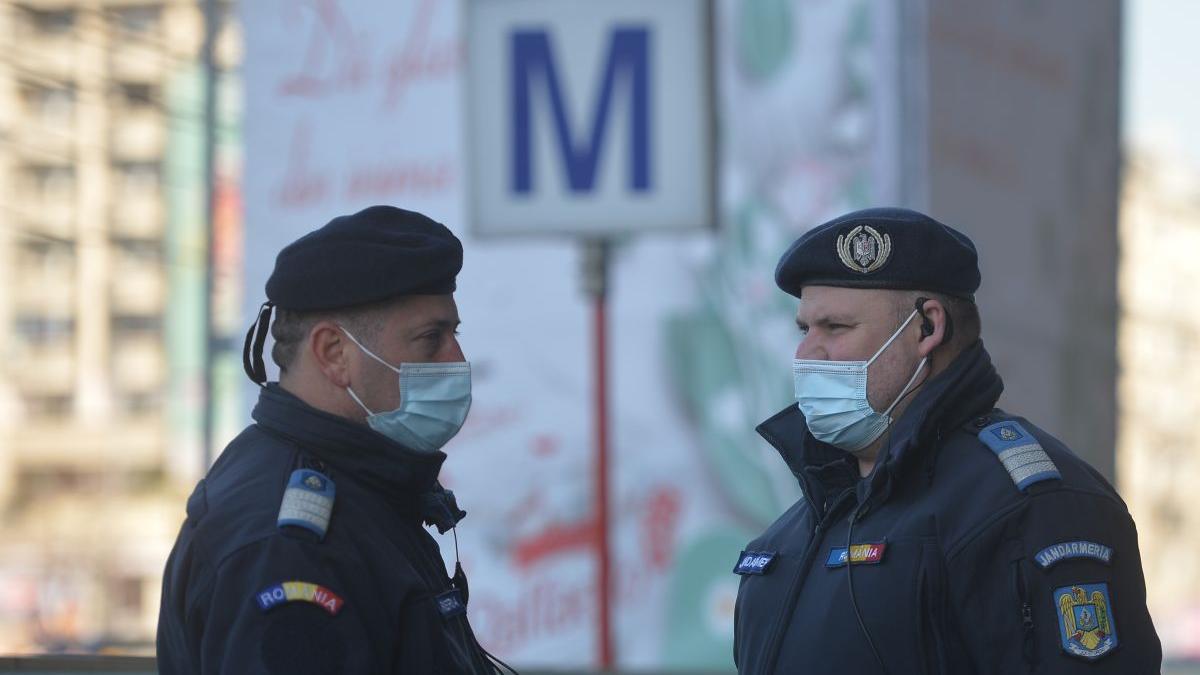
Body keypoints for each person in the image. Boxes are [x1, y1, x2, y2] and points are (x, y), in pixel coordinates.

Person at [732, 207, 1161, 673]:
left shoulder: (1031, 508)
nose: (806, 352)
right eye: (804, 329)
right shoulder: (798, 528)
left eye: (835, 327)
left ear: (927, 328)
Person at [157, 206, 511, 674]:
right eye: (431, 338)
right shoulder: (290, 547)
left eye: (454, 333)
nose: (456, 358)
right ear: (333, 353)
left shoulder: (361, 489)